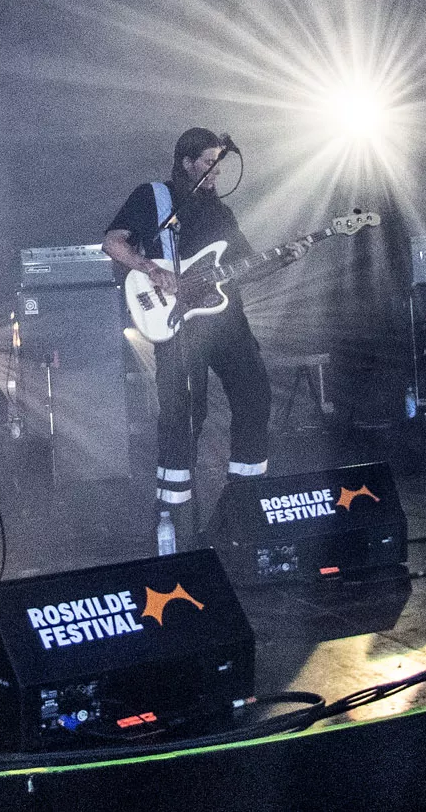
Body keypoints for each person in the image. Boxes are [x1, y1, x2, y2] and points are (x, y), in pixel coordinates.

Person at [103, 128, 301, 549]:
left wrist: (282, 258)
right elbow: (113, 243)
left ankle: (244, 504)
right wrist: (152, 269)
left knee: (254, 395)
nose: (216, 171)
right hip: (178, 324)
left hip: (227, 321)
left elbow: (245, 266)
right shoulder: (154, 197)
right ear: (187, 162)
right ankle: (171, 518)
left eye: (218, 163)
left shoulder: (221, 213)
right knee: (184, 414)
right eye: (209, 162)